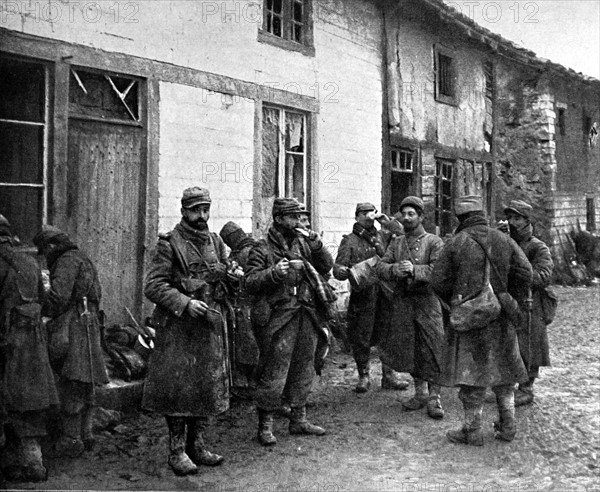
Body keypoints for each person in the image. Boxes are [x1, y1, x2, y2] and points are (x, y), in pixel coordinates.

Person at [142, 187, 231, 476]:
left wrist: (232, 275)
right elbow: (153, 285)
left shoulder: (216, 242)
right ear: (183, 211)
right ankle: (176, 451)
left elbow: (222, 274)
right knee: (179, 391)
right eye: (195, 210)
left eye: (206, 209)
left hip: (207, 326)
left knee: (205, 386)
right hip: (179, 329)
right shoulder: (169, 244)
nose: (202, 216)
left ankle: (198, 446)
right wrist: (184, 302)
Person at [431, 196, 533, 445]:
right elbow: (526, 273)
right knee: (505, 375)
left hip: (469, 319)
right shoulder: (504, 239)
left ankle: (472, 431)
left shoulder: (456, 243)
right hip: (501, 317)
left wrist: (458, 299)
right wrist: (507, 296)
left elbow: (437, 282)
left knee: (471, 376)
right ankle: (508, 427)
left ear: (461, 218)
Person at [245, 198, 334, 446]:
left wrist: (318, 246)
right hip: (278, 317)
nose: (298, 222)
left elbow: (328, 266)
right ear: (279, 219)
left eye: (299, 217)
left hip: (305, 312)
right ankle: (265, 425)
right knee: (275, 370)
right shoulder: (261, 249)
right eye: (293, 217)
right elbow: (249, 282)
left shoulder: (304, 244)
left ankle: (299, 418)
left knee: (305, 366)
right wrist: (274, 274)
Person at [33, 225, 108, 458]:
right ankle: (86, 435)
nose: (45, 257)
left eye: (45, 251)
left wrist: (40, 309)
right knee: (85, 381)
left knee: (72, 381)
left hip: (74, 325)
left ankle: (71, 439)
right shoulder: (80, 256)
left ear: (52, 245)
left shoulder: (66, 260)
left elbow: (58, 296)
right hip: (88, 322)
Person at [375, 197, 445, 419]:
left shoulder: (434, 242)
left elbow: (440, 271)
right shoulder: (396, 243)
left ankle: (435, 398)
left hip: (427, 302)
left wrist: (415, 270)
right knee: (412, 348)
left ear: (421, 217)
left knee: (433, 347)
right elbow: (380, 267)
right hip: (404, 302)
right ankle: (420, 393)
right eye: (403, 214)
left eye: (411, 214)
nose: (406, 218)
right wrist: (396, 268)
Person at [0, 215, 58, 482]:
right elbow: (45, 302)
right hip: (32, 342)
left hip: (7, 342)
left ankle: (13, 462)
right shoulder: (29, 261)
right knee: (30, 401)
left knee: (8, 400)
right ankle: (34, 463)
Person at [333, 202, 408, 393]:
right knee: (361, 336)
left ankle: (389, 375)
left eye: (371, 212)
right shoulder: (349, 240)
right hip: (363, 295)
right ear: (356, 216)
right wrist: (344, 271)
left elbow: (402, 236)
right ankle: (363, 376)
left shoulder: (383, 236)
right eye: (363, 213)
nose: (368, 216)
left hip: (385, 292)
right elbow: (338, 269)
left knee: (387, 333)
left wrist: (389, 223)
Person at [502, 200, 554, 407]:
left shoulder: (538, 247)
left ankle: (526, 388)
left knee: (530, 345)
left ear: (527, 221)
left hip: (530, 302)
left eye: (517, 218)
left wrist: (520, 271)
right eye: (509, 218)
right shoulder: (505, 242)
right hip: (510, 301)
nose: (512, 222)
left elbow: (544, 276)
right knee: (508, 343)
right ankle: (509, 384)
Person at [219, 221, 259, 396]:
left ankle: (250, 383)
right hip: (242, 305)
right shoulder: (249, 249)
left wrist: (236, 276)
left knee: (248, 345)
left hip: (247, 305)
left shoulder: (246, 252)